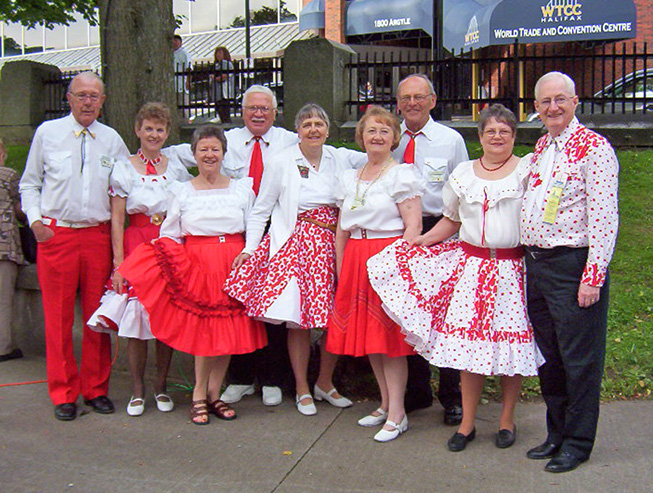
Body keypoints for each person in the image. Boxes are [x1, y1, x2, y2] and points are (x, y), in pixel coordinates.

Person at [368, 104, 545, 452]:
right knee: (468, 350)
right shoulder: (464, 173)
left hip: (512, 270)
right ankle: (467, 423)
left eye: (504, 131)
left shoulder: (527, 171)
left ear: (514, 136)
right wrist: (422, 240)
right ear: (480, 136)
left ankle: (507, 420)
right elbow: (452, 220)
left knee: (512, 349)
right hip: (472, 270)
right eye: (490, 131)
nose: (497, 137)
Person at [119, 125, 267, 425]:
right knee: (206, 332)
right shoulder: (182, 190)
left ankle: (214, 393)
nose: (210, 155)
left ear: (224, 153)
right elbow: (169, 232)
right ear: (195, 154)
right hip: (199, 263)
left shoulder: (241, 188)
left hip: (233, 261)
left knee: (227, 330)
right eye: (204, 150)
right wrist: (173, 263)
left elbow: (253, 222)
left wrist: (249, 251)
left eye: (215, 149)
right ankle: (199, 393)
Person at [225, 103, 365, 415]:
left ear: (327, 130)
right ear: (297, 131)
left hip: (335, 244)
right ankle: (302, 387)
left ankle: (324, 382)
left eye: (319, 124)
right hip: (297, 245)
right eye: (307, 124)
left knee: (335, 316)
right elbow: (261, 209)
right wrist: (250, 248)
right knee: (299, 319)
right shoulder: (281, 161)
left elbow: (376, 152)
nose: (314, 129)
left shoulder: (340, 158)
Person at [522, 72, 619, 473]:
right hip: (537, 266)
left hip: (572, 267)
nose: (553, 107)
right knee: (550, 357)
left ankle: (577, 442)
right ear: (536, 107)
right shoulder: (542, 146)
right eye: (545, 102)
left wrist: (592, 277)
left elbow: (604, 218)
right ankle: (557, 433)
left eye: (560, 99)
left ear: (575, 101)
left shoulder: (594, 148)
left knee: (579, 360)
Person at [20, 71, 130, 420]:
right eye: (81, 95)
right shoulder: (48, 133)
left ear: (102, 101)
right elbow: (29, 183)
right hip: (58, 235)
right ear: (68, 98)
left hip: (97, 236)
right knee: (58, 317)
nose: (87, 102)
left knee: (97, 316)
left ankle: (96, 388)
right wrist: (36, 223)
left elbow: (128, 184)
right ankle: (64, 392)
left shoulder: (111, 139)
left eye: (94, 96)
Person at [326, 105, 424, 442]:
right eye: (371, 131)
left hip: (387, 258)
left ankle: (398, 413)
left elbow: (413, 226)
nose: (377, 136)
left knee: (390, 340)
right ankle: (385, 403)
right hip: (356, 257)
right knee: (371, 337)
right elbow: (342, 229)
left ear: (395, 137)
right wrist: (342, 268)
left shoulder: (401, 175)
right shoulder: (350, 178)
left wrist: (398, 269)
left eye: (384, 131)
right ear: (361, 137)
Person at [87, 102, 193, 416]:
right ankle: (137, 390)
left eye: (160, 129)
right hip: (137, 243)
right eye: (148, 129)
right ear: (138, 130)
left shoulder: (174, 168)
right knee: (136, 319)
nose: (154, 135)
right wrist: (119, 264)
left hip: (168, 244)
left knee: (165, 317)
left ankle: (161, 386)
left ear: (167, 133)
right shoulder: (124, 168)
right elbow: (118, 219)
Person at [394, 74, 468, 424]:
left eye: (419, 97)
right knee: (410, 312)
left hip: (442, 227)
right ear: (398, 103)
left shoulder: (450, 141)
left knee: (446, 313)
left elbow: (462, 188)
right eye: (406, 98)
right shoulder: (390, 137)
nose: (412, 103)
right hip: (401, 230)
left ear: (433, 100)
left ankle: (451, 395)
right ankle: (416, 390)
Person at [219, 85, 298, 407]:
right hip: (236, 230)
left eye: (265, 108)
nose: (258, 114)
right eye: (252, 108)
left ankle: (272, 378)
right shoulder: (226, 141)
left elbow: (327, 153)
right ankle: (239, 377)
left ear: (275, 113)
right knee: (239, 304)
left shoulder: (290, 141)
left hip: (275, 229)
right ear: (242, 111)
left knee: (273, 305)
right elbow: (188, 151)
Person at [0, 139, 25, 363]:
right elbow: (21, 209)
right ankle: (3, 347)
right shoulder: (9, 176)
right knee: (4, 300)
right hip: (4, 245)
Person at [211, 46, 234, 124]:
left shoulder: (227, 64)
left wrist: (216, 78)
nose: (218, 55)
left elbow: (225, 76)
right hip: (217, 93)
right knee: (220, 112)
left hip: (224, 92)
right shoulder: (215, 65)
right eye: (217, 53)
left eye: (220, 53)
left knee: (225, 113)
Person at [173, 34, 192, 109]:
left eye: (176, 40)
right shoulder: (170, 53)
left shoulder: (184, 53)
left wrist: (188, 81)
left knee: (182, 108)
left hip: (181, 85)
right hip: (173, 86)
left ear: (180, 43)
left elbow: (189, 68)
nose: (174, 42)